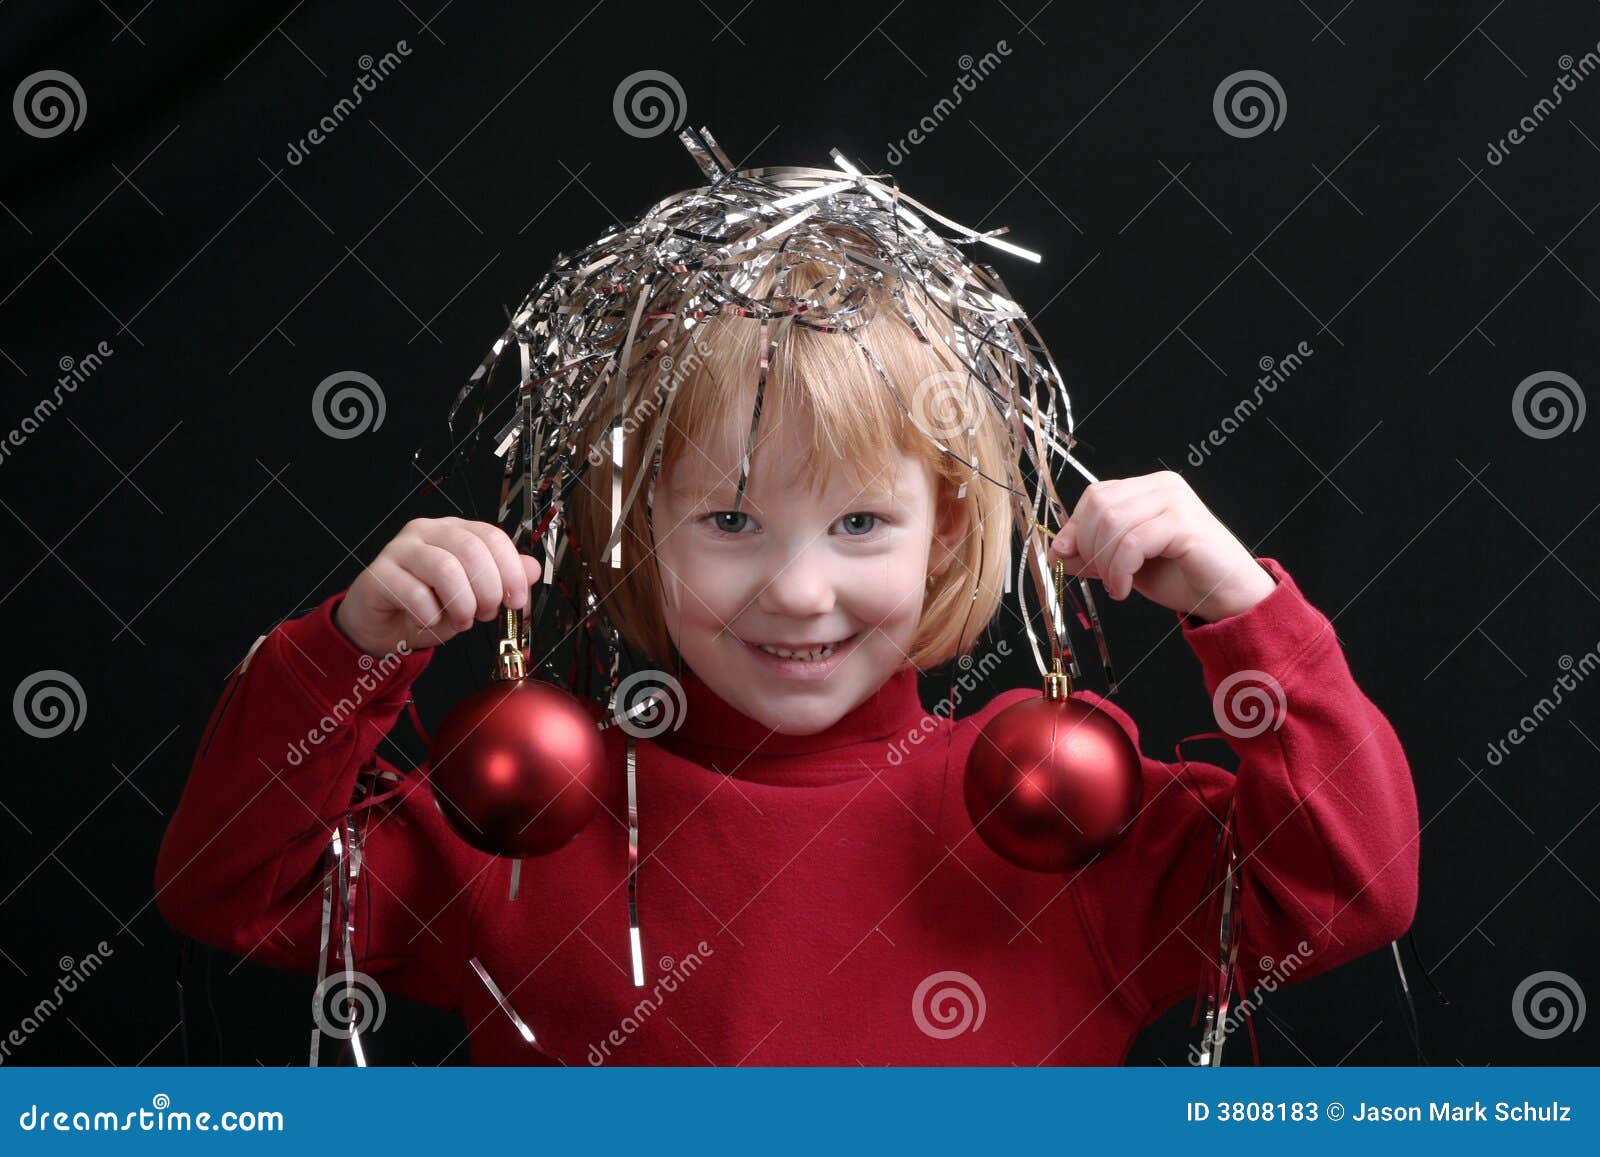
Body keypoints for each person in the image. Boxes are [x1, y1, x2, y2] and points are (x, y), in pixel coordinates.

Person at [154, 196, 1419, 1068]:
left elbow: (1350, 889)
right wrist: (352, 646)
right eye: (732, 519)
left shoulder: (1064, 820)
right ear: (633, 525)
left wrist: (1246, 616)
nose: (799, 590)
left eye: (863, 519)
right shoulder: (527, 818)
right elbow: (232, 883)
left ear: (951, 528)